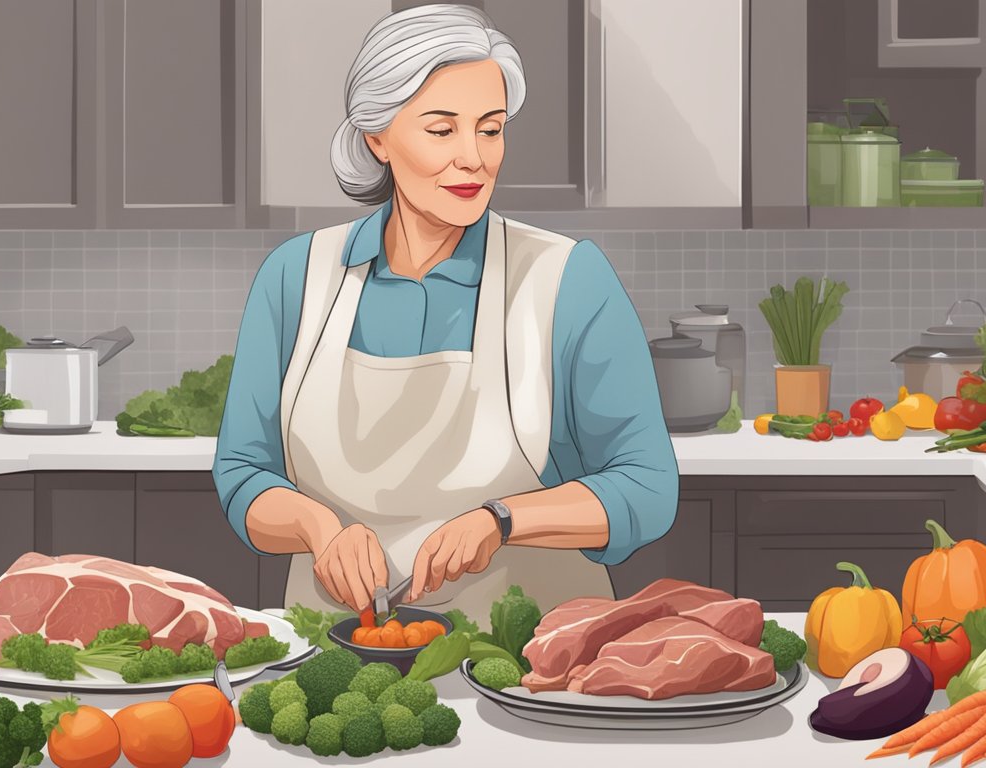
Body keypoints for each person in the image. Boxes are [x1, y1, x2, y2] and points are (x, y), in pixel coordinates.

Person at [213, 4, 677, 616]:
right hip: (337, 671)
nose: (474, 158)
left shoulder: (565, 278)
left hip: (525, 673)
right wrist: (319, 529)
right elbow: (244, 473)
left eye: (490, 128)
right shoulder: (296, 278)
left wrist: (502, 520)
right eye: (441, 130)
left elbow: (647, 488)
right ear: (377, 137)